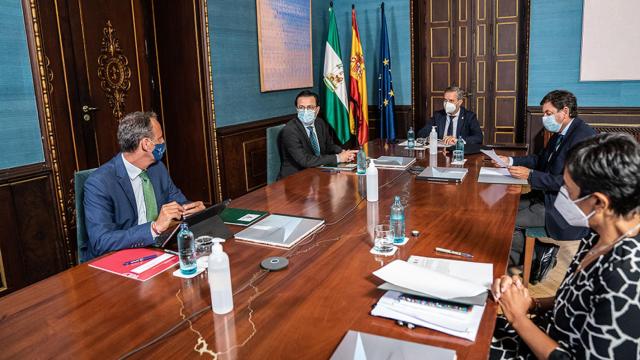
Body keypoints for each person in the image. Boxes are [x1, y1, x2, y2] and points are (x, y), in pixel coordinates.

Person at [490, 133, 640, 359]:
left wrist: (517, 317)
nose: (562, 197)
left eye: (568, 191)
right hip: (543, 331)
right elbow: (574, 300)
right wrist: (530, 303)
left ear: (599, 202)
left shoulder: (628, 275)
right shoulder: (597, 234)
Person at [494, 90, 596, 282]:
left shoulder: (583, 137)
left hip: (565, 207)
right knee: (502, 208)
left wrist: (531, 176)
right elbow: (540, 160)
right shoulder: (561, 132)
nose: (544, 118)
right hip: (546, 196)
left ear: (564, 112)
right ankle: (540, 253)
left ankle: (534, 260)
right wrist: (510, 160)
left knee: (506, 222)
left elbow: (573, 182)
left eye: (548, 113)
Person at [83, 111, 205, 260]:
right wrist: (154, 228)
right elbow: (101, 241)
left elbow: (178, 201)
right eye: (160, 138)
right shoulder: (99, 183)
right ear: (146, 144)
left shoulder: (157, 168)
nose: (163, 142)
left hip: (157, 251)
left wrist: (192, 210)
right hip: (119, 259)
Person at [278, 90, 358, 179]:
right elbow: (305, 160)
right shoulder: (290, 130)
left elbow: (329, 145)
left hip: (316, 173)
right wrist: (338, 158)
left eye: (310, 107)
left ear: (317, 109)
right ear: (297, 109)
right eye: (301, 107)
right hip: (295, 178)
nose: (305, 111)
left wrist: (342, 152)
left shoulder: (319, 123)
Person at [416, 86, 483, 145]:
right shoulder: (438, 115)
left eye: (451, 101)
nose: (447, 104)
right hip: (441, 152)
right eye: (445, 100)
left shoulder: (469, 116)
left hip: (459, 152)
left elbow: (478, 137)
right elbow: (421, 134)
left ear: (459, 102)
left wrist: (458, 141)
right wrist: (430, 138)